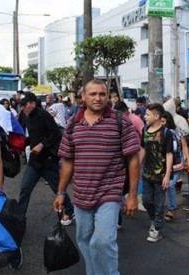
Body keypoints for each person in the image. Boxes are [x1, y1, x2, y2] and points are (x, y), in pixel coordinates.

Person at [53, 79, 140, 275]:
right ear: (83, 97)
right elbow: (68, 161)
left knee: (102, 241)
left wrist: (132, 195)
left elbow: (133, 159)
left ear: (108, 96)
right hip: (81, 193)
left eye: (102, 94)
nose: (98, 98)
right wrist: (60, 192)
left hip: (110, 192)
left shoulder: (120, 121)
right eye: (93, 94)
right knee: (84, 240)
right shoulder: (73, 123)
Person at [19, 92, 75, 225]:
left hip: (48, 161)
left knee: (58, 189)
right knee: (25, 189)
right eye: (21, 106)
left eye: (24, 105)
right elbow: (33, 138)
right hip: (34, 161)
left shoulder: (43, 115)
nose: (22, 108)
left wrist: (42, 144)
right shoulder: (26, 117)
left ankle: (70, 210)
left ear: (32, 103)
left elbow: (55, 134)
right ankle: (19, 218)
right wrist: (20, 143)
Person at [140, 103, 173, 242]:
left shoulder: (166, 133)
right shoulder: (145, 130)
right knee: (147, 201)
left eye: (147, 114)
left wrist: (167, 175)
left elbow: (169, 154)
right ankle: (155, 220)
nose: (144, 116)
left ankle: (157, 229)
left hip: (161, 176)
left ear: (156, 116)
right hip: (147, 174)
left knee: (159, 204)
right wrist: (137, 166)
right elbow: (143, 149)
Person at [160, 111, 183, 222]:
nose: (162, 123)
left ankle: (172, 208)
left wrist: (187, 160)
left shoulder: (172, 133)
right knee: (167, 185)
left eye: (163, 121)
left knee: (170, 185)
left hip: (176, 162)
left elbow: (178, 148)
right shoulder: (164, 132)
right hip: (170, 163)